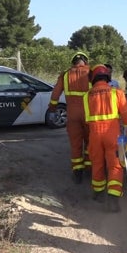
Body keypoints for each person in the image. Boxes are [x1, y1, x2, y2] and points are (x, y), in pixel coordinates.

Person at [83, 64, 127, 212]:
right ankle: (113, 198)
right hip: (114, 134)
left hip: (95, 134)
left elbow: (87, 120)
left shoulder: (87, 96)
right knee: (115, 165)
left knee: (97, 162)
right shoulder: (116, 92)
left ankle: (98, 193)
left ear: (93, 78)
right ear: (107, 77)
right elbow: (126, 116)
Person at [49, 51, 91, 185]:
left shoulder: (65, 75)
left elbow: (55, 93)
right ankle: (90, 170)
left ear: (73, 62)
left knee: (76, 144)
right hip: (89, 114)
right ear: (85, 61)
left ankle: (77, 172)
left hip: (72, 115)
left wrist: (52, 109)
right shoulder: (91, 73)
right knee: (90, 142)